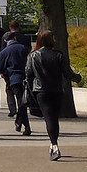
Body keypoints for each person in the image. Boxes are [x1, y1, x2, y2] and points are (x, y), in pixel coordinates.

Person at [27, 29, 82, 161]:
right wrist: (77, 78)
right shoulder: (58, 55)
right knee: (54, 118)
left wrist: (30, 91)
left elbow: (28, 74)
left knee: (48, 118)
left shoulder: (33, 55)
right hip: (56, 90)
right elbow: (67, 73)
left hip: (41, 91)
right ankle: (53, 144)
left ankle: (54, 144)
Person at [0, 30, 31, 136]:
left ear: (6, 40)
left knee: (21, 103)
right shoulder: (23, 48)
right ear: (15, 38)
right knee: (22, 102)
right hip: (25, 77)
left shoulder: (4, 52)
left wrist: (5, 73)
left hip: (13, 78)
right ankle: (20, 122)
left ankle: (25, 125)